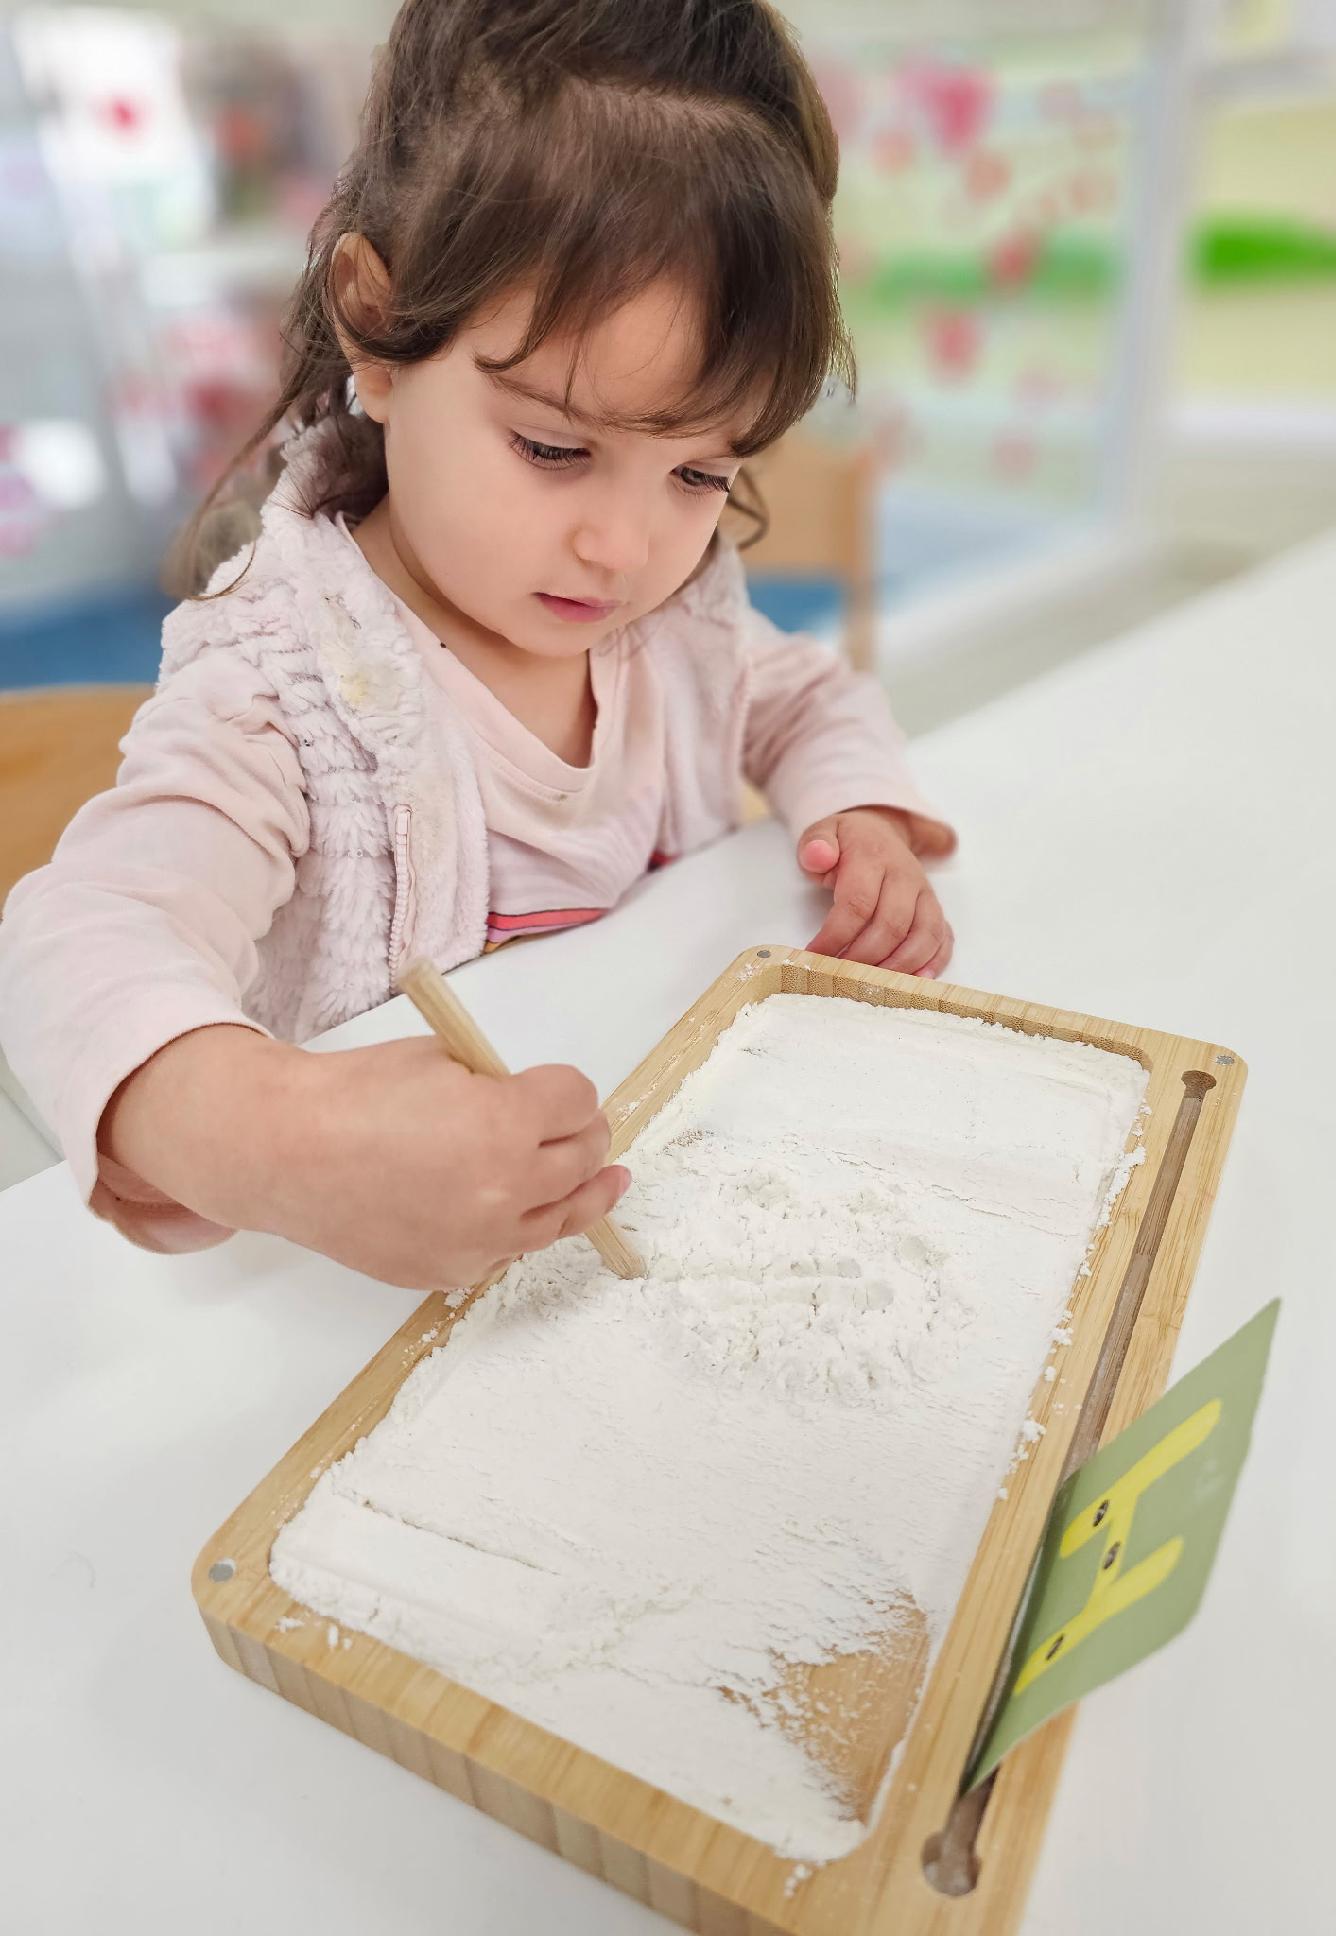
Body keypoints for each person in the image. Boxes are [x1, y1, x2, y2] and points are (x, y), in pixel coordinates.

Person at [0, 0, 955, 1289]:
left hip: (653, 1177)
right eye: (555, 449)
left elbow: (793, 696)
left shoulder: (678, 614)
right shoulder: (281, 686)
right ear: (377, 331)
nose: (627, 548)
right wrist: (284, 1140)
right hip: (355, 1286)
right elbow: (85, 939)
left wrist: (861, 813)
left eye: (699, 473)